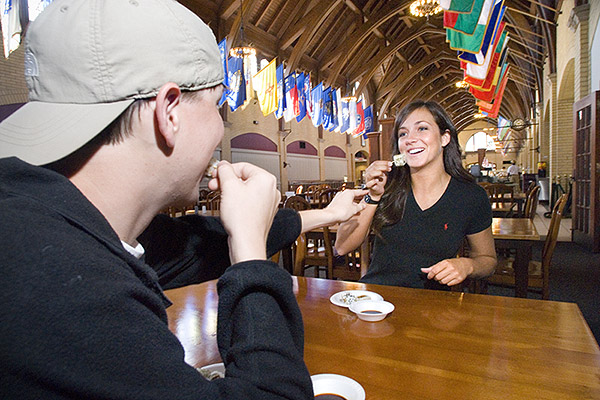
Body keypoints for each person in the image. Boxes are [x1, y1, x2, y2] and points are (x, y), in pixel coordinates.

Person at [0, 1, 366, 398]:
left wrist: (325, 213)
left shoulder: (55, 218)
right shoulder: (65, 289)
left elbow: (197, 244)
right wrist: (252, 257)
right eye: (217, 104)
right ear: (169, 112)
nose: (218, 127)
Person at [335, 100, 496, 290]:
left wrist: (468, 265)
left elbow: (488, 260)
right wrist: (373, 195)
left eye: (422, 129)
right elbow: (342, 247)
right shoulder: (386, 186)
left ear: (445, 138)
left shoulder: (471, 196)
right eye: (403, 133)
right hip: (376, 300)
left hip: (432, 305)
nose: (410, 139)